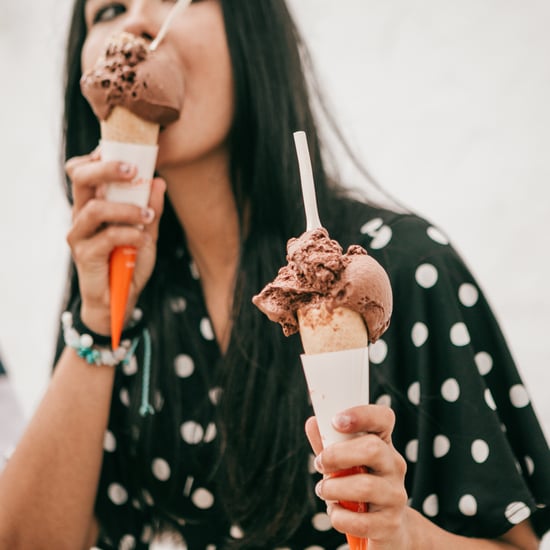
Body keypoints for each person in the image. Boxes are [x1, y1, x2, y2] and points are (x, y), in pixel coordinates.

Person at [0, 0, 549, 548]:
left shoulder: (394, 268)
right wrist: (97, 322)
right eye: (109, 9)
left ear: (252, 28)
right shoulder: (118, 293)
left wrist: (404, 534)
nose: (137, 22)